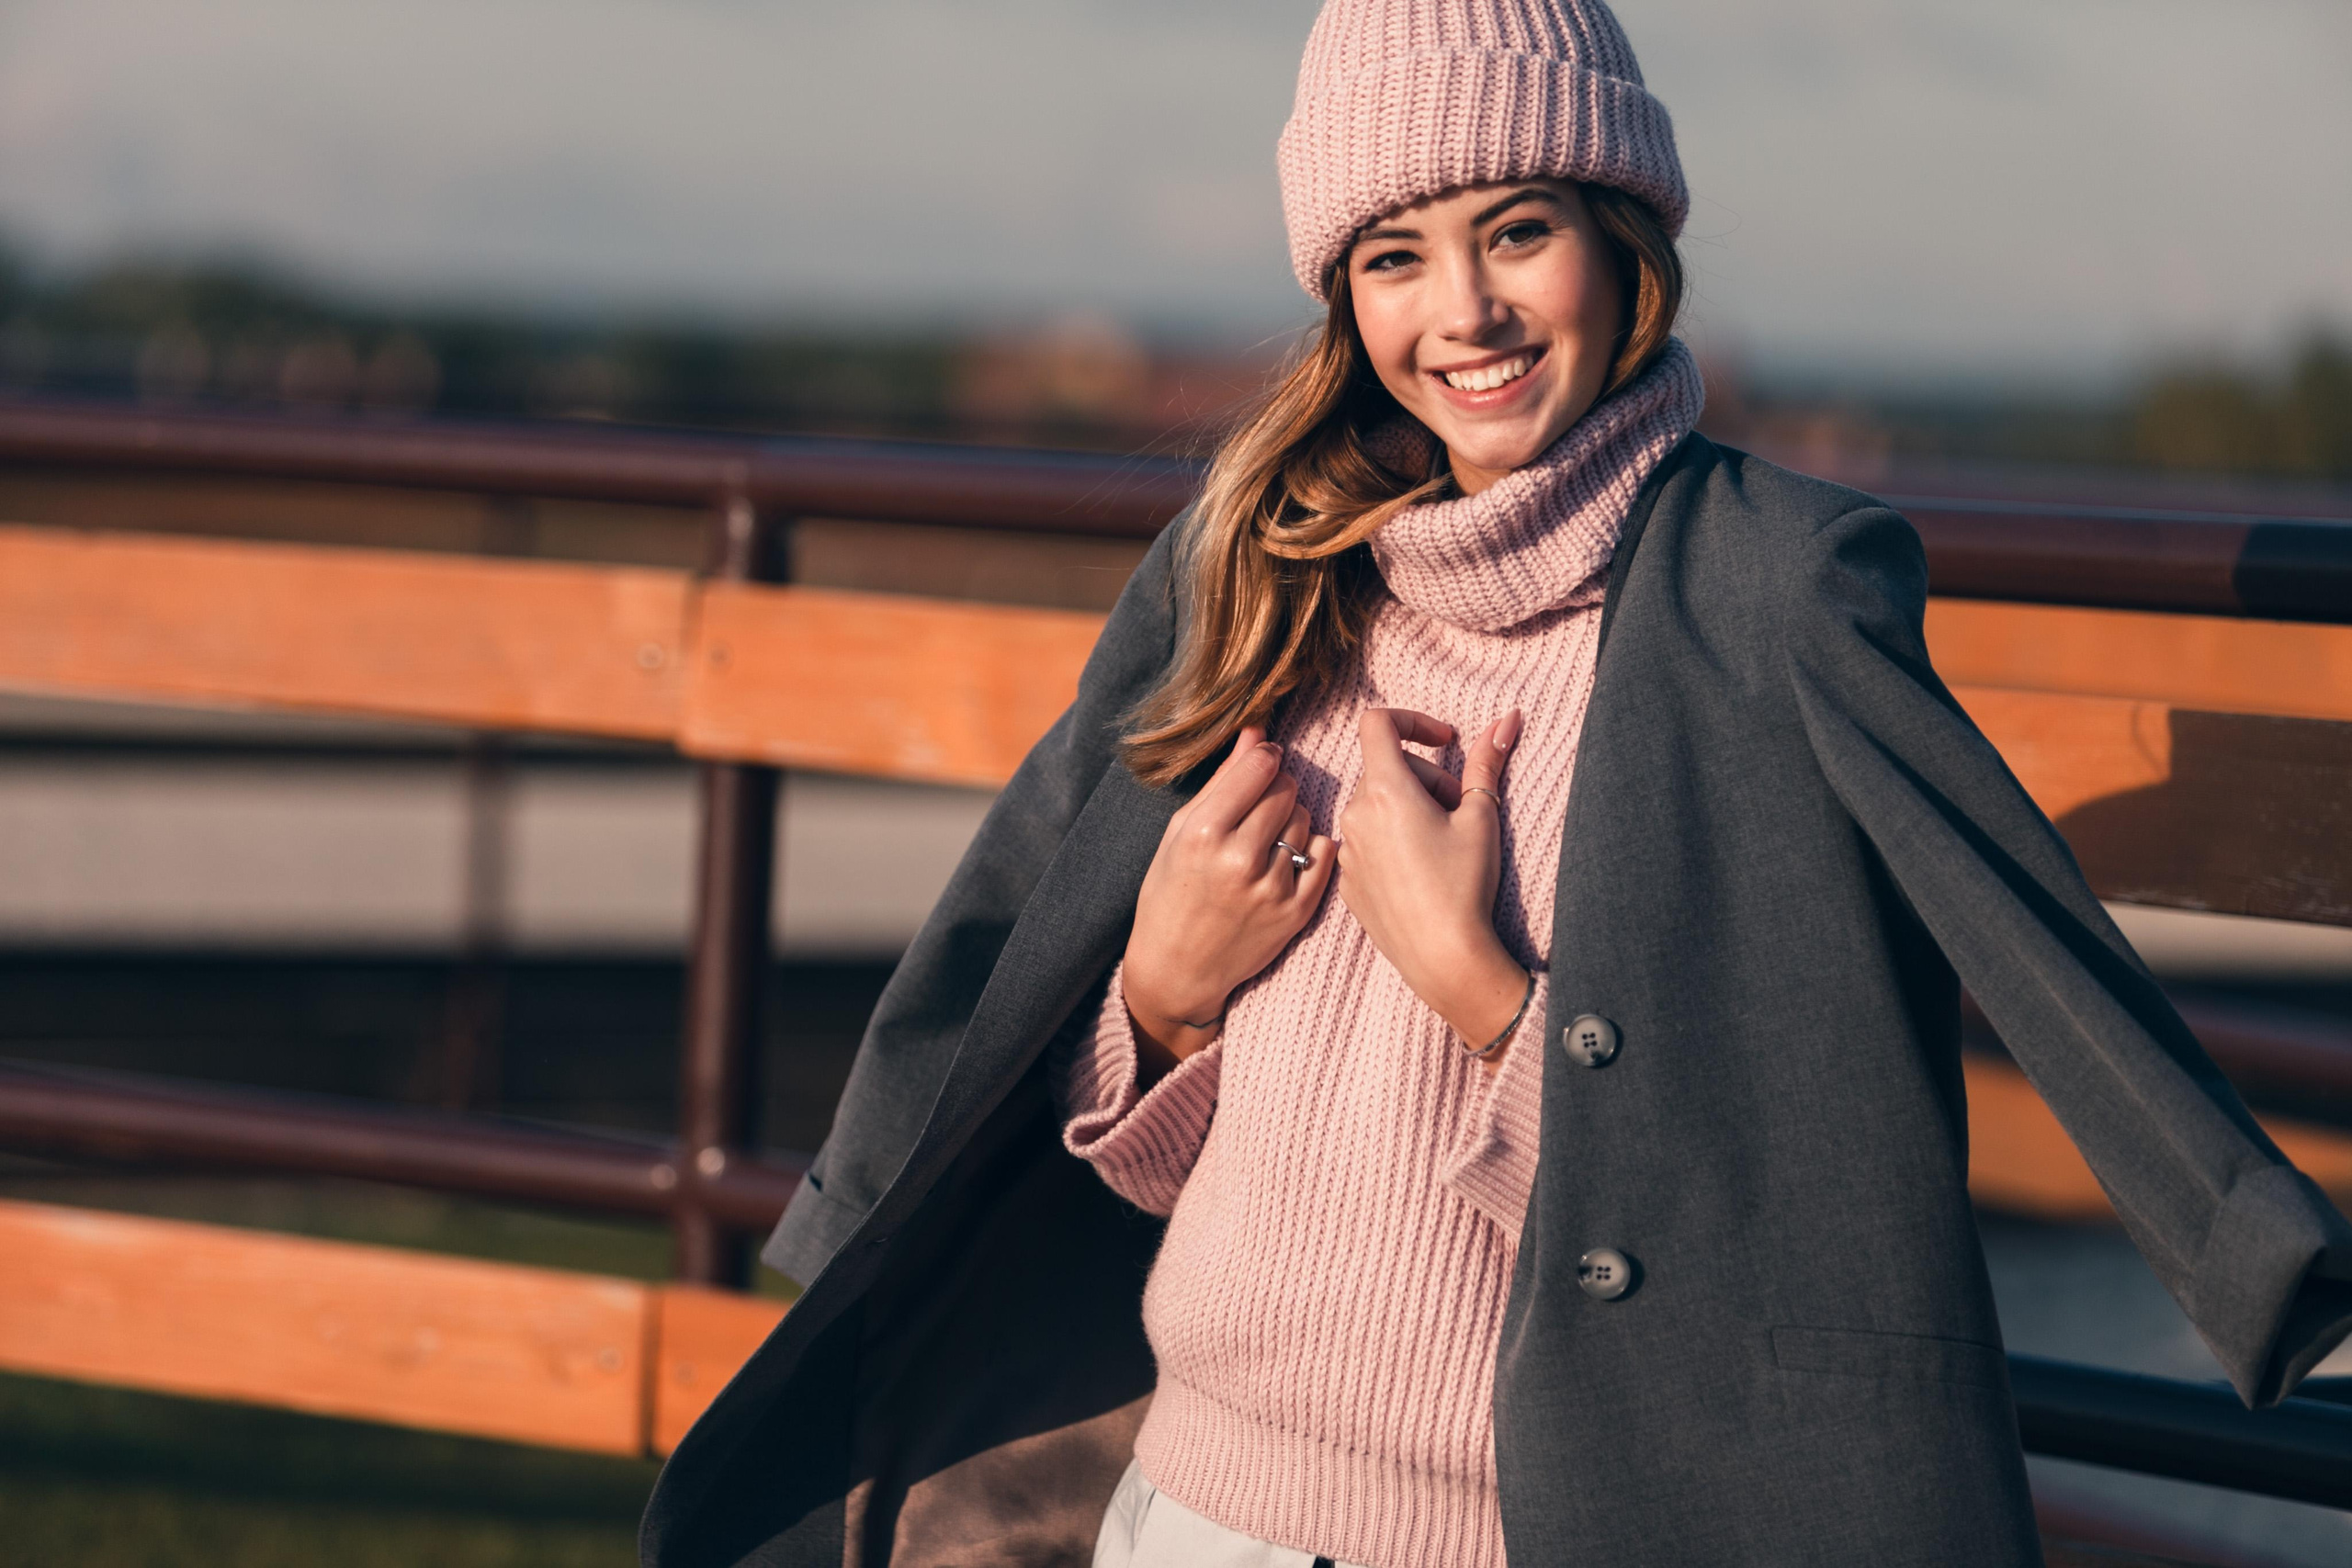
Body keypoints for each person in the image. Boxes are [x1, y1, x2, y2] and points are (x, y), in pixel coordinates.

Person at [640, 3, 2352, 1565]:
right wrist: (1157, 1007)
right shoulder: (1270, 570)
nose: (1460, 314)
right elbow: (1147, 1141)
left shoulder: (1769, 593)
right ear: (1343, 293)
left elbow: (1987, 1000)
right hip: (1190, 1511)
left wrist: (1480, 991)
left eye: (1515, 231)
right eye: (1394, 255)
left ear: (1623, 242)